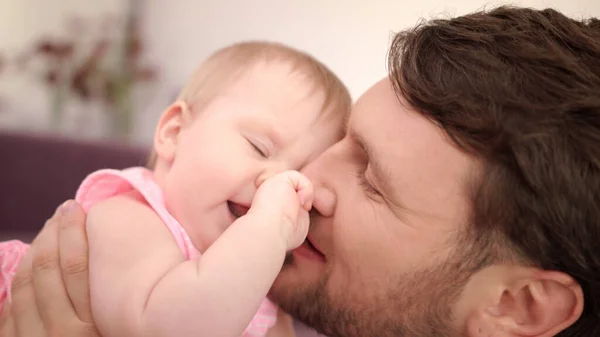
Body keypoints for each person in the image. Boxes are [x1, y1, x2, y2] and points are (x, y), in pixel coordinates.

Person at [2, 5, 600, 337]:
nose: (305, 182)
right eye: (341, 143)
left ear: (520, 305)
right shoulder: (142, 226)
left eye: (372, 179)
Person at [0, 41, 351, 337]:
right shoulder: (131, 217)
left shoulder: (263, 280)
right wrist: (267, 230)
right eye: (259, 148)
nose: (274, 185)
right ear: (174, 132)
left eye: (297, 179)